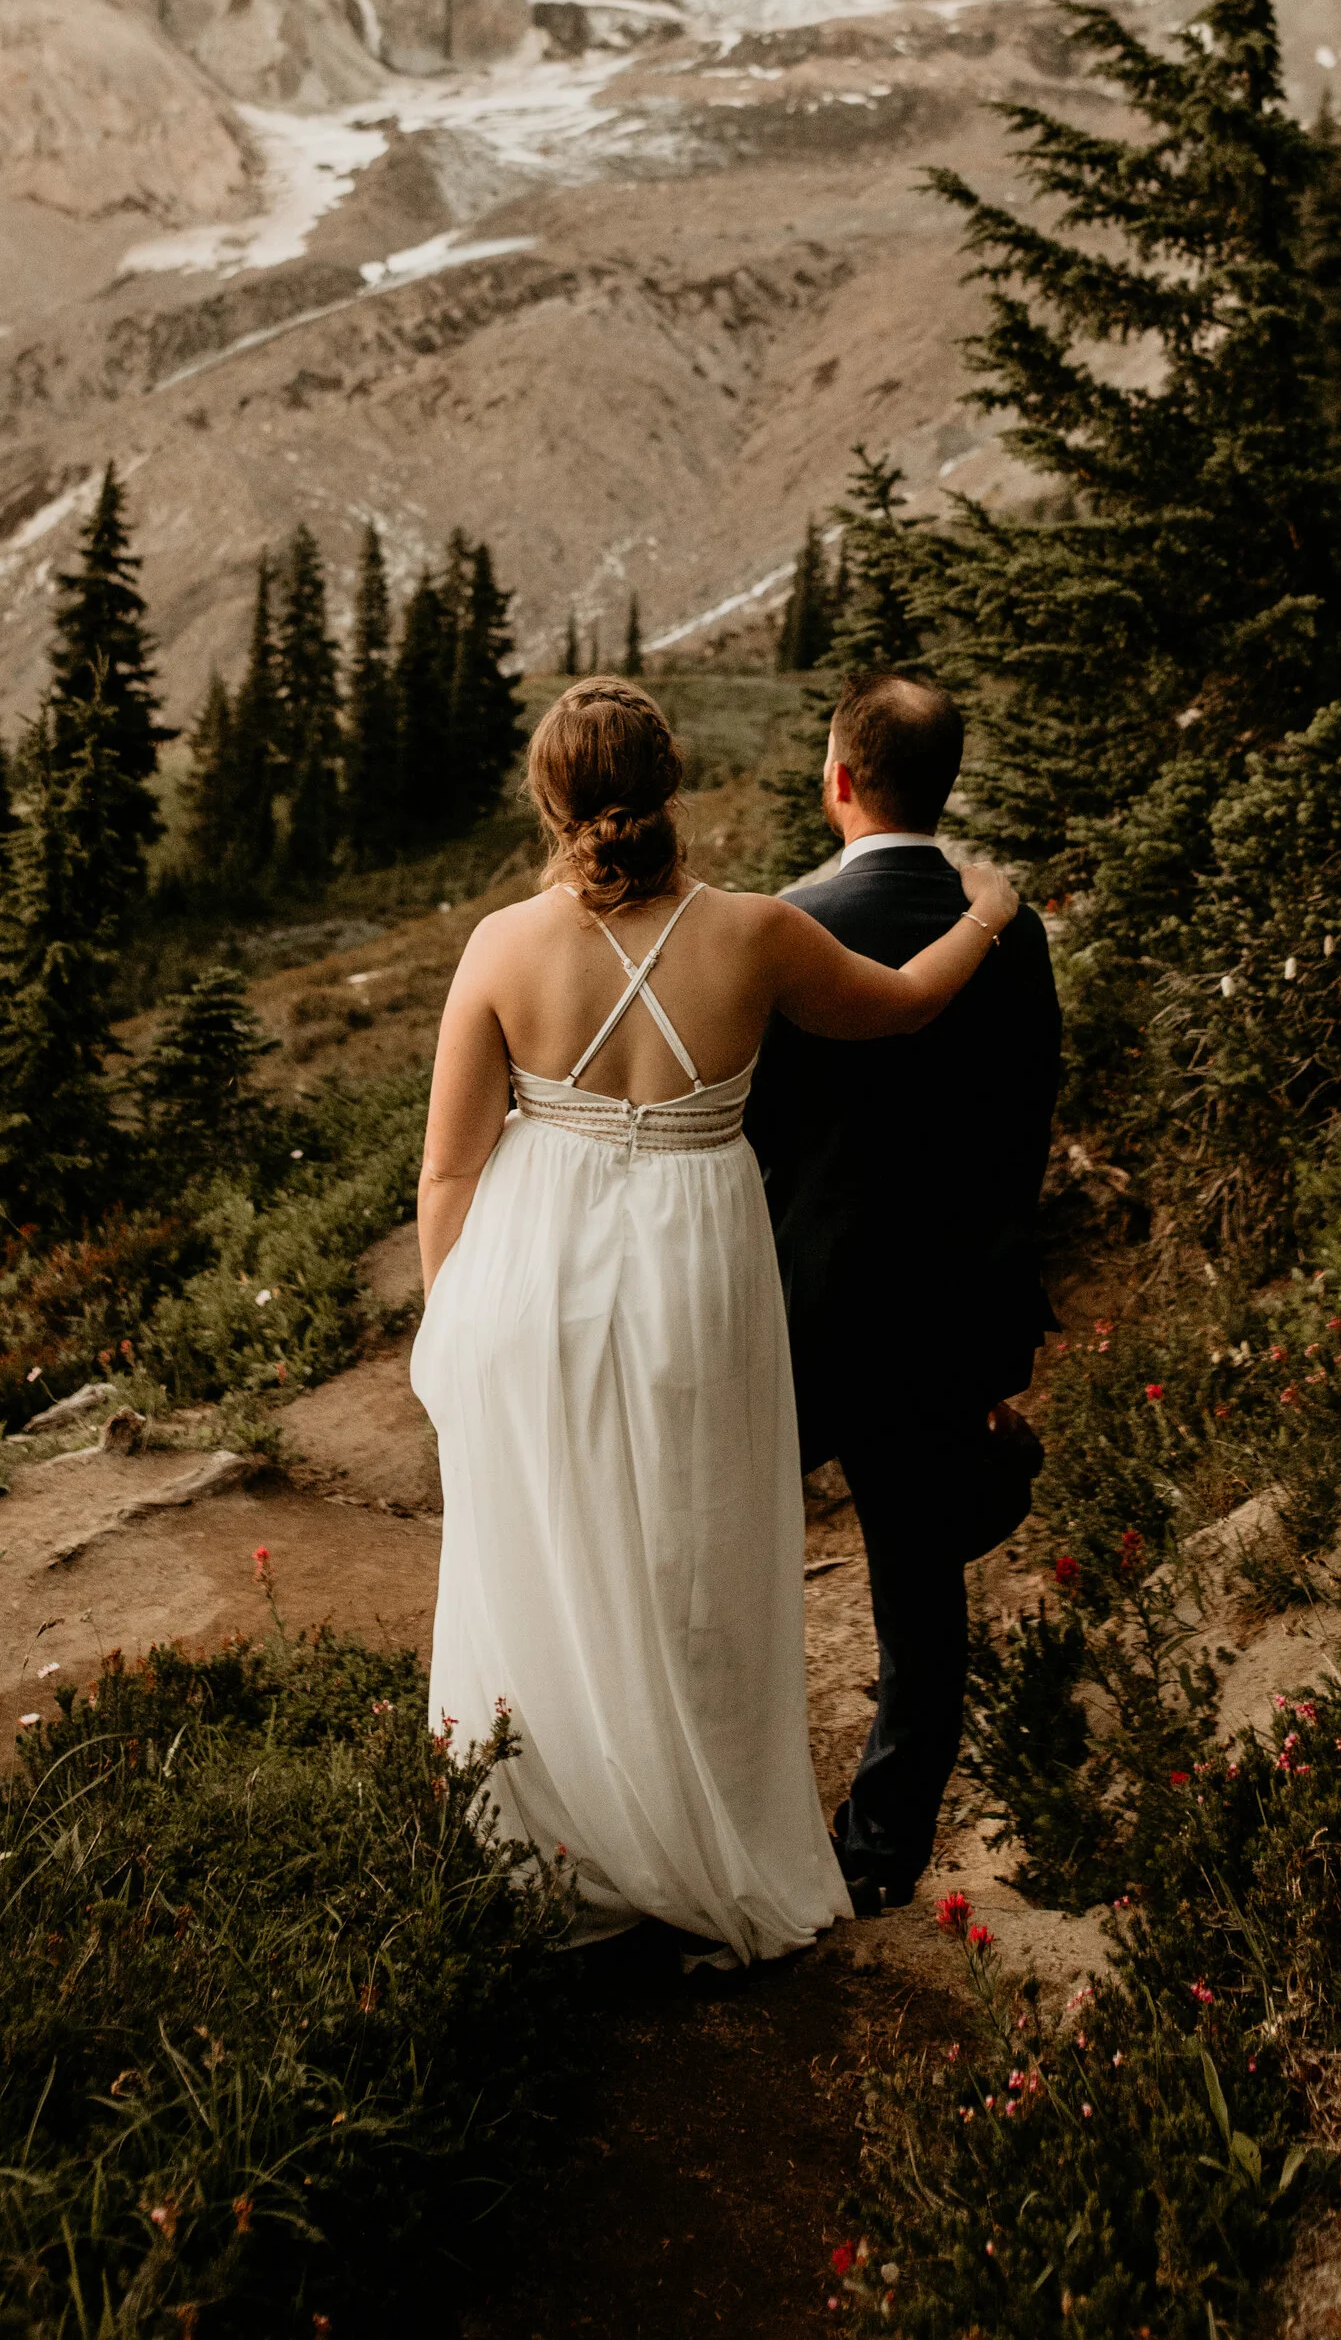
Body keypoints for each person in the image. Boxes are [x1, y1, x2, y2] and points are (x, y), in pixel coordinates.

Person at [411, 673, 1020, 1967]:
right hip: (694, 1282)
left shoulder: (501, 948)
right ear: (671, 785)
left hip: (534, 1288)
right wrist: (986, 912)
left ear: (548, 798)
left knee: (555, 1554)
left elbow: (450, 1173)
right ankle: (697, 1841)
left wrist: (450, 1338)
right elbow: (909, 1001)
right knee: (695, 1565)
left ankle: (563, 1843)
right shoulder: (755, 934)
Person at [749, 668, 1062, 1914]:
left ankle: (730, 1818)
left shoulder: (788, 924)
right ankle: (879, 1854)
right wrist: (994, 1330)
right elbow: (1023, 1127)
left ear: (837, 779)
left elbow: (748, 1132)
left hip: (796, 1306)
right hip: (939, 1311)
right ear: (944, 784)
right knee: (920, 1597)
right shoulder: (1010, 932)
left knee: (727, 1563)